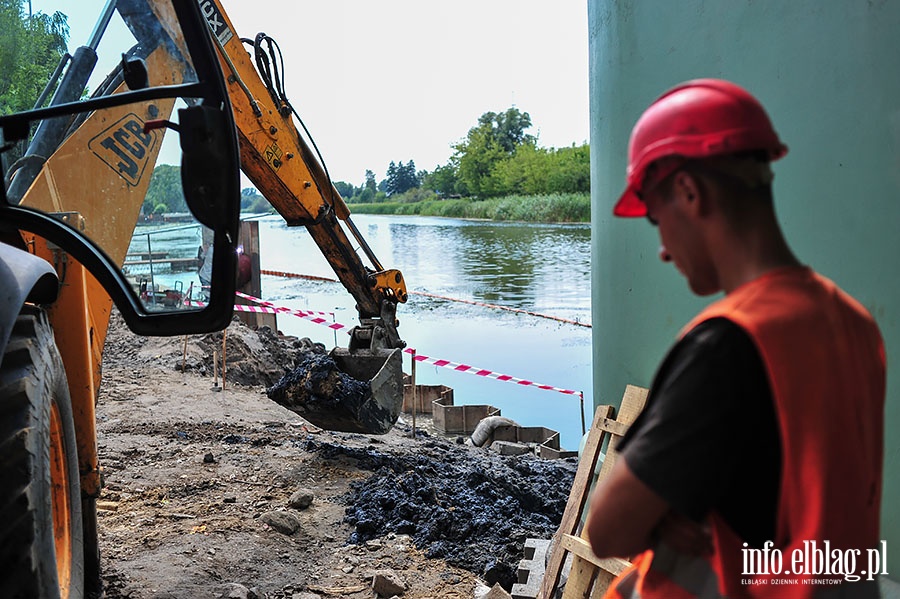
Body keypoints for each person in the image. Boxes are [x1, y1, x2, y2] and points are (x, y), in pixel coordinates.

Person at [585, 79, 885, 598]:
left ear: (689, 193)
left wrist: (657, 518)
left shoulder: (729, 343)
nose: (661, 249)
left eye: (657, 219)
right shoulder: (855, 323)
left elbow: (607, 528)